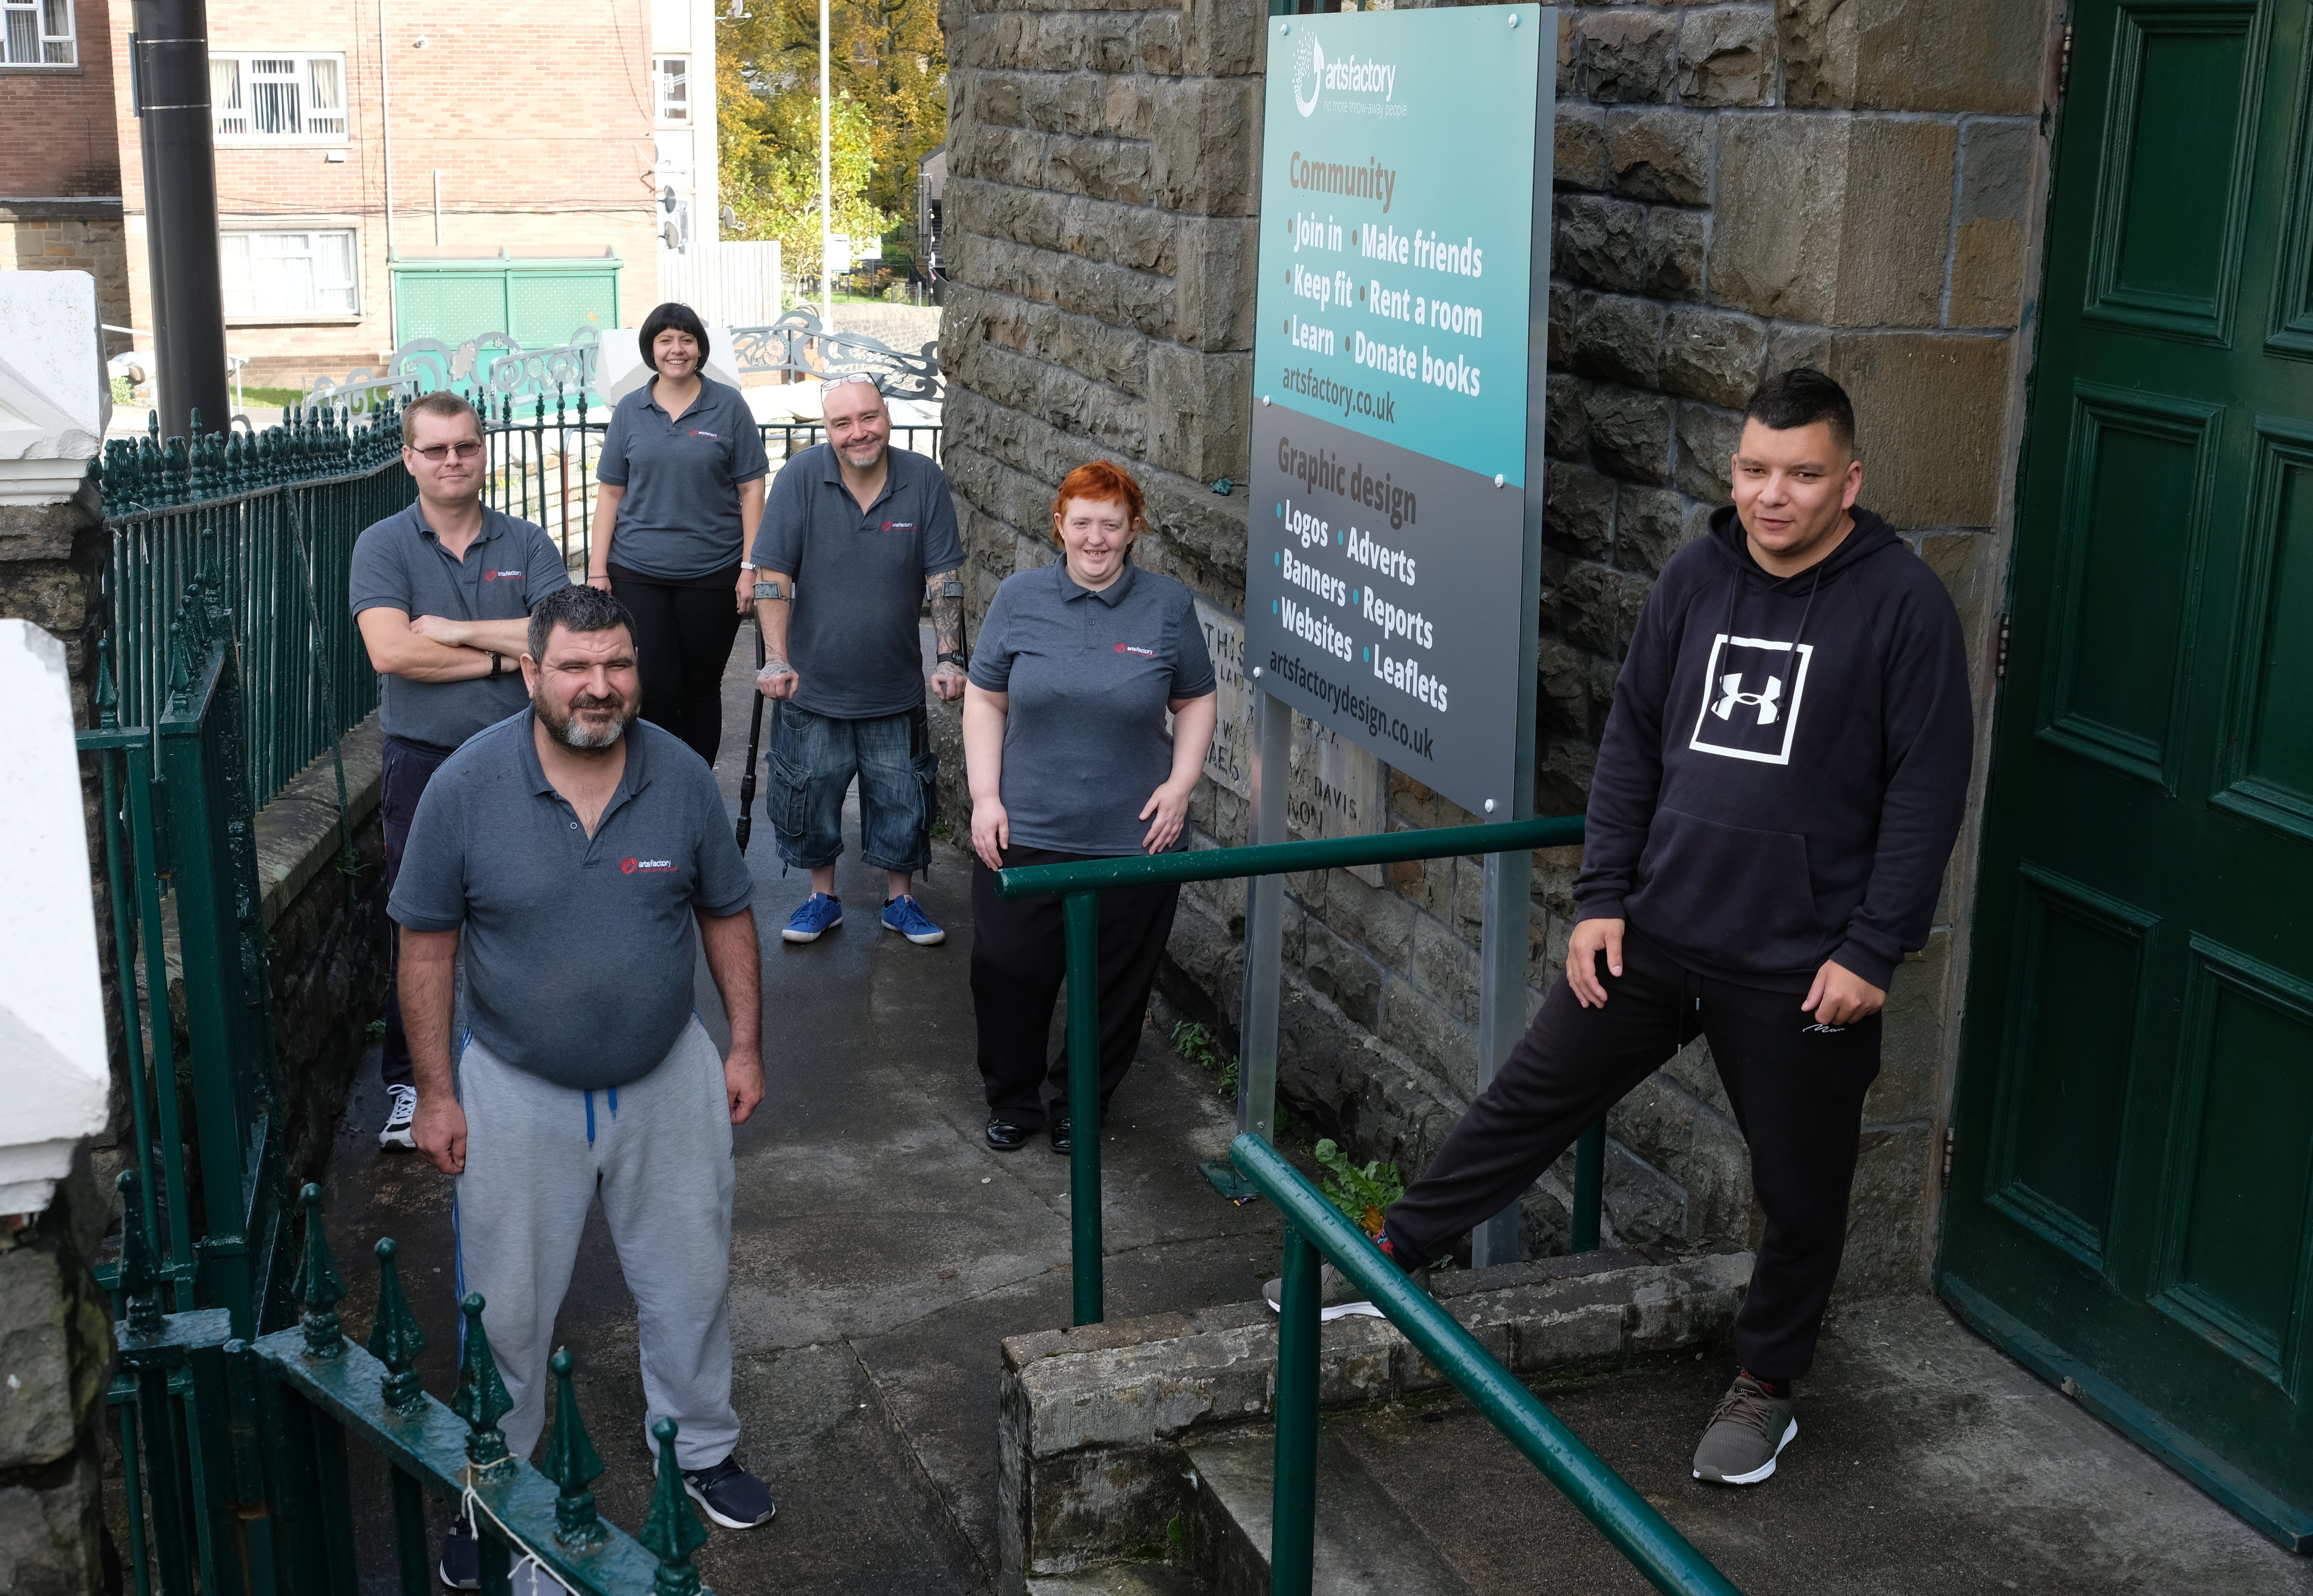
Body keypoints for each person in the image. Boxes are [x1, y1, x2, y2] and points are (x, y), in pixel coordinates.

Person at [1269, 370, 1974, 1489]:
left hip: (1800, 970)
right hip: (1656, 933)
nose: (1772, 496)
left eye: (1800, 475)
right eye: (1753, 470)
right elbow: (1634, 743)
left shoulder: (1903, 605)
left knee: (1801, 1191)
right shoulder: (1695, 576)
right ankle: (1396, 1248)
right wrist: (1600, 899)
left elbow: (1927, 790)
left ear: (1852, 480)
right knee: (1526, 1099)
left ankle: (1768, 1385)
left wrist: (1872, 946)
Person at [391, 585, 774, 1587]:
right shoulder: (467, 788)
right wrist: (436, 1092)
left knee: (690, 1280)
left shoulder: (682, 777)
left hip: (666, 1076)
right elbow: (425, 949)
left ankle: (699, 1448)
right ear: (531, 673)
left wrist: (743, 1047)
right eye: (574, 666)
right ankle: (493, 1483)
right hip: (517, 1088)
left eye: (616, 666)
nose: (598, 687)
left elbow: (728, 914)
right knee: (505, 1308)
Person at [963, 460, 1216, 1153]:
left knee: (1113, 986)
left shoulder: (1166, 606)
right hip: (1025, 829)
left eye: (1112, 524)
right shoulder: (1019, 598)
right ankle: (1013, 1101)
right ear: (1060, 524)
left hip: (1135, 835)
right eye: (1083, 522)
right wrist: (986, 796)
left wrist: (1182, 782)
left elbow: (1195, 697)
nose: (1096, 538)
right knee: (1008, 970)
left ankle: (1081, 1102)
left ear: (1134, 530)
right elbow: (985, 698)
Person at [351, 389, 571, 1154]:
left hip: (526, 757)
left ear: (484, 451)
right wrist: (500, 654)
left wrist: (452, 630)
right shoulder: (382, 545)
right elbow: (391, 652)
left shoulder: (528, 541)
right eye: (436, 449)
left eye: (466, 447)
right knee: (423, 923)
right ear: (409, 458)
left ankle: (533, 1065)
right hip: (424, 763)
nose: (453, 461)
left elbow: (563, 638)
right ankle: (414, 1083)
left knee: (534, 908)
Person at [751, 373, 965, 946]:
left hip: (893, 686)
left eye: (867, 418)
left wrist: (949, 656)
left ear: (887, 416)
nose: (857, 433)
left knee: (903, 797)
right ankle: (822, 899)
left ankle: (902, 902)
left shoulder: (923, 479)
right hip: (813, 686)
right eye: (842, 423)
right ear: (826, 429)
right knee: (810, 795)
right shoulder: (800, 478)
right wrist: (777, 659)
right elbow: (773, 575)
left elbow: (943, 576)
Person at [587, 300, 771, 767]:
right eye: (666, 340)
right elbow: (610, 494)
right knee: (655, 684)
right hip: (637, 571)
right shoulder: (631, 409)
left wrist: (750, 567)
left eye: (687, 340)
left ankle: (695, 789)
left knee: (702, 688)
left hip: (713, 572)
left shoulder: (728, 406)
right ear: (651, 349)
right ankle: (658, 783)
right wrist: (596, 571)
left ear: (700, 348)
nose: (677, 349)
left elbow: (752, 490)